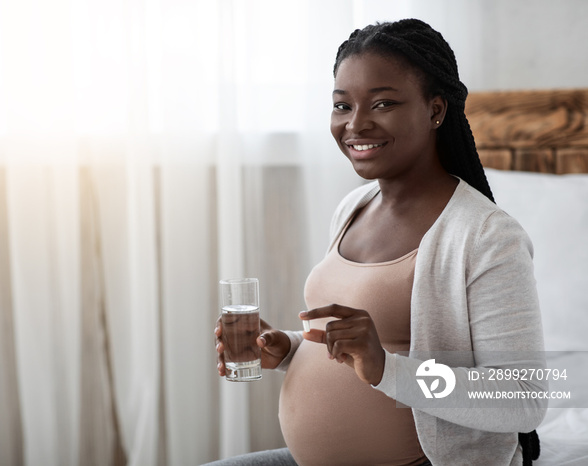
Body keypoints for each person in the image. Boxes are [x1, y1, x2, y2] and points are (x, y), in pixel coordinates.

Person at [211, 18, 546, 466]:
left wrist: (387, 369)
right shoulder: (353, 206)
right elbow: (358, 345)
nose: (356, 124)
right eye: (342, 105)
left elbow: (523, 399)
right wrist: (289, 347)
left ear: (435, 111)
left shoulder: (487, 236)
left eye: (383, 103)